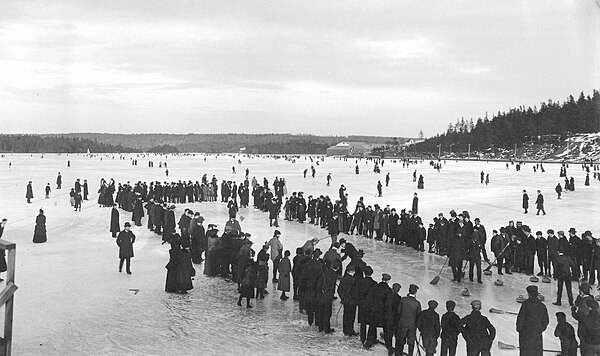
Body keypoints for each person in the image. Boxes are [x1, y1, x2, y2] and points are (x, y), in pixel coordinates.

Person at [516, 285, 549, 356]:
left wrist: (520, 330)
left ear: (529, 293)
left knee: (525, 352)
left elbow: (521, 318)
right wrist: (539, 329)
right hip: (537, 334)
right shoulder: (542, 306)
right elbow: (545, 321)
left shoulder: (526, 304)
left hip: (526, 334)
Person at [571, 281, 600, 355]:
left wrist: (573, 312)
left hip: (587, 338)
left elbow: (580, 317)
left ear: (581, 291)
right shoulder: (594, 302)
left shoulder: (583, 303)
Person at [364, 273, 392, 350]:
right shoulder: (388, 290)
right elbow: (388, 303)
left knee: (372, 327)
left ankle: (368, 343)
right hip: (383, 313)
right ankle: (389, 347)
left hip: (374, 311)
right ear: (388, 281)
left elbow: (369, 298)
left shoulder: (375, 286)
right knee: (386, 328)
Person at [395, 284, 421, 356]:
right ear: (415, 292)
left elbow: (398, 311)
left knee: (400, 341)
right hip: (412, 326)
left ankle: (398, 354)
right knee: (411, 342)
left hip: (402, 324)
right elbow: (419, 316)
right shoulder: (417, 303)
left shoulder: (403, 300)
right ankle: (410, 354)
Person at [356, 266, 376, 345]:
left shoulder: (360, 282)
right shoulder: (374, 283)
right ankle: (370, 339)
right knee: (371, 322)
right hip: (370, 306)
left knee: (363, 322)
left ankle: (362, 338)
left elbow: (356, 293)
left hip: (361, 305)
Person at [317, 260, 338, 333]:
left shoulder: (323, 273)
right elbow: (332, 287)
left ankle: (321, 327)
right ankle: (327, 328)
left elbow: (318, 284)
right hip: (328, 296)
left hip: (321, 295)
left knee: (321, 311)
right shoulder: (333, 274)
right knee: (327, 312)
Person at [338, 265, 358, 336]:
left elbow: (339, 290)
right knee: (351, 316)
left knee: (345, 315)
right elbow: (355, 292)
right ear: (354, 272)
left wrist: (343, 298)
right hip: (352, 301)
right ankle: (351, 330)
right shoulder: (354, 280)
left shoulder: (343, 279)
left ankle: (345, 330)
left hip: (346, 301)